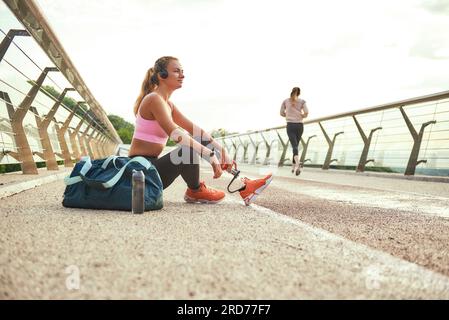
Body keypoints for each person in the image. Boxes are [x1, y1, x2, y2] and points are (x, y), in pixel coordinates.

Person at [128, 56, 272, 205]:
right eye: (177, 71)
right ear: (161, 75)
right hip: (139, 171)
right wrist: (208, 154)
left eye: (182, 71)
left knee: (197, 141)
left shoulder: (168, 105)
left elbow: (196, 131)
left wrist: (221, 151)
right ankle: (195, 191)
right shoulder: (153, 99)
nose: (182, 75)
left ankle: (244, 184)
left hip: (151, 170)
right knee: (187, 152)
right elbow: (176, 134)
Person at [280, 87, 309, 175]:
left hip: (290, 125)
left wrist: (288, 115)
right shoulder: (302, 101)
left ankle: (297, 164)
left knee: (294, 146)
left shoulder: (285, 101)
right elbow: (306, 112)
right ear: (299, 93)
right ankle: (294, 167)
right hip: (300, 126)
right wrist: (301, 116)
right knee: (295, 146)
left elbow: (281, 113)